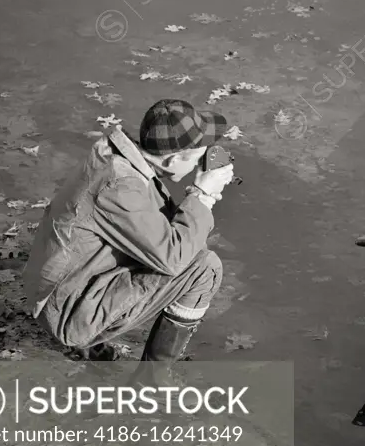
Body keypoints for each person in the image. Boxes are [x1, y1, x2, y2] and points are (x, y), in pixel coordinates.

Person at [22, 98, 236, 384]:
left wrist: (194, 200)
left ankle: (95, 349)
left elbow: (151, 233)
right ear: (173, 160)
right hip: (67, 315)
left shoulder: (116, 159)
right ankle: (152, 381)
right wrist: (202, 196)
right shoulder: (121, 187)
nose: (204, 161)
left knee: (172, 246)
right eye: (199, 157)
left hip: (60, 291)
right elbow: (174, 259)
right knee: (205, 268)